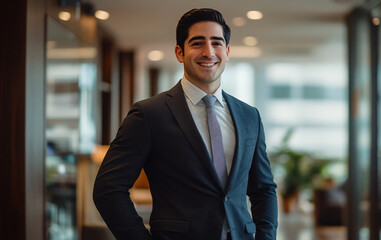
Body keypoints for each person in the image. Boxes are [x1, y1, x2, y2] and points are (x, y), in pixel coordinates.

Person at [93, 8, 278, 240]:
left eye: (216, 43)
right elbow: (108, 189)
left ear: (227, 52)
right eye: (197, 43)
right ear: (180, 52)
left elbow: (263, 189)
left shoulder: (249, 116)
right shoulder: (149, 114)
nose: (208, 52)